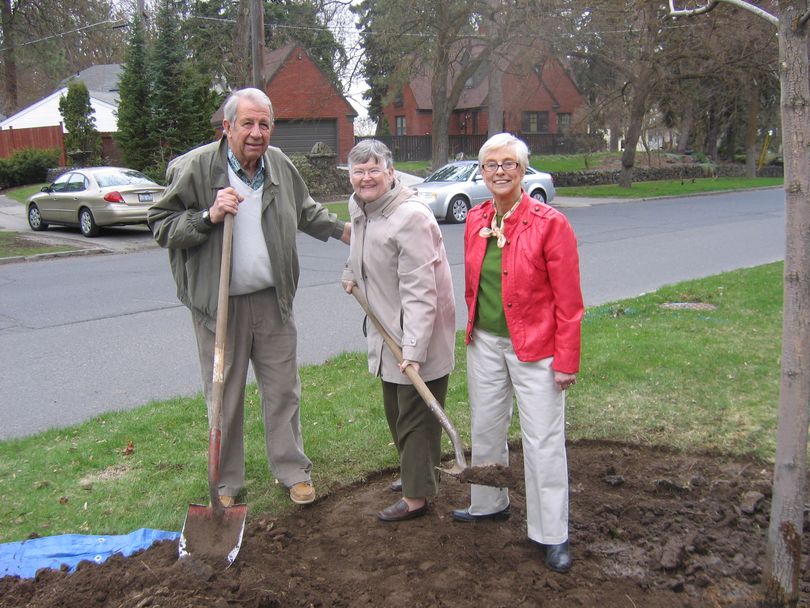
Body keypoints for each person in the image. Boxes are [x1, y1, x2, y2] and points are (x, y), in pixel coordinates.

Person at [148, 88, 350, 507]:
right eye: (247, 123)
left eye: (264, 124)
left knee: (283, 391)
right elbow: (162, 225)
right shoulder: (196, 167)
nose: (256, 133)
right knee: (225, 395)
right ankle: (226, 484)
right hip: (219, 305)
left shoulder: (278, 164)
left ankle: (292, 471)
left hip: (273, 301)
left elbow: (306, 210)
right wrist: (208, 216)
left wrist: (347, 231)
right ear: (227, 126)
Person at [452, 133, 583, 573]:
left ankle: (552, 534)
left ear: (523, 170)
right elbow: (476, 284)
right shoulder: (475, 219)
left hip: (538, 348)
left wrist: (566, 359)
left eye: (509, 163)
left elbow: (569, 301)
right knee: (486, 426)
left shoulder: (550, 224)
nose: (500, 171)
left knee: (543, 440)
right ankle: (488, 503)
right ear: (481, 172)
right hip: (485, 342)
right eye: (491, 164)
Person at [341, 139, 456, 522]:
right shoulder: (361, 207)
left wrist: (415, 348)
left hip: (415, 334)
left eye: (374, 169)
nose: (366, 177)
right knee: (396, 411)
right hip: (386, 329)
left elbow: (422, 291)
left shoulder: (411, 217)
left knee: (415, 418)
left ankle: (417, 498)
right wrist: (349, 271)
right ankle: (414, 474)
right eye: (358, 171)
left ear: (391, 173)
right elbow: (359, 248)